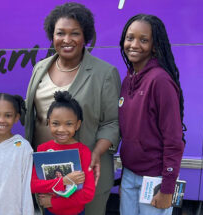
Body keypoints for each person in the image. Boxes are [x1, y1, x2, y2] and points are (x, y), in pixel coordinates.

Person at [25, 3, 121, 214]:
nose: (67, 40)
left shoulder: (104, 73)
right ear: (52, 36)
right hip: (47, 173)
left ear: (85, 36)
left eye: (74, 33)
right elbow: (33, 117)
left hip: (86, 171)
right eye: (60, 33)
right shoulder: (40, 68)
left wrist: (96, 153)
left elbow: (112, 122)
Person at [118, 14, 185, 215]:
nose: (134, 44)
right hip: (129, 175)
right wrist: (125, 179)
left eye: (143, 40)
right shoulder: (128, 78)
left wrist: (167, 188)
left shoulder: (160, 81)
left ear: (155, 46)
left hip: (154, 179)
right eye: (130, 38)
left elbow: (174, 139)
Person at [31, 91, 95, 215]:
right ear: (48, 122)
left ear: (78, 125)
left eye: (69, 124)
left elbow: (88, 193)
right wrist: (64, 181)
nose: (61, 129)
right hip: (50, 212)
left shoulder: (83, 151)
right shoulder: (43, 149)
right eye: (56, 123)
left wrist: (54, 202)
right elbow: (33, 185)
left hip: (75, 212)